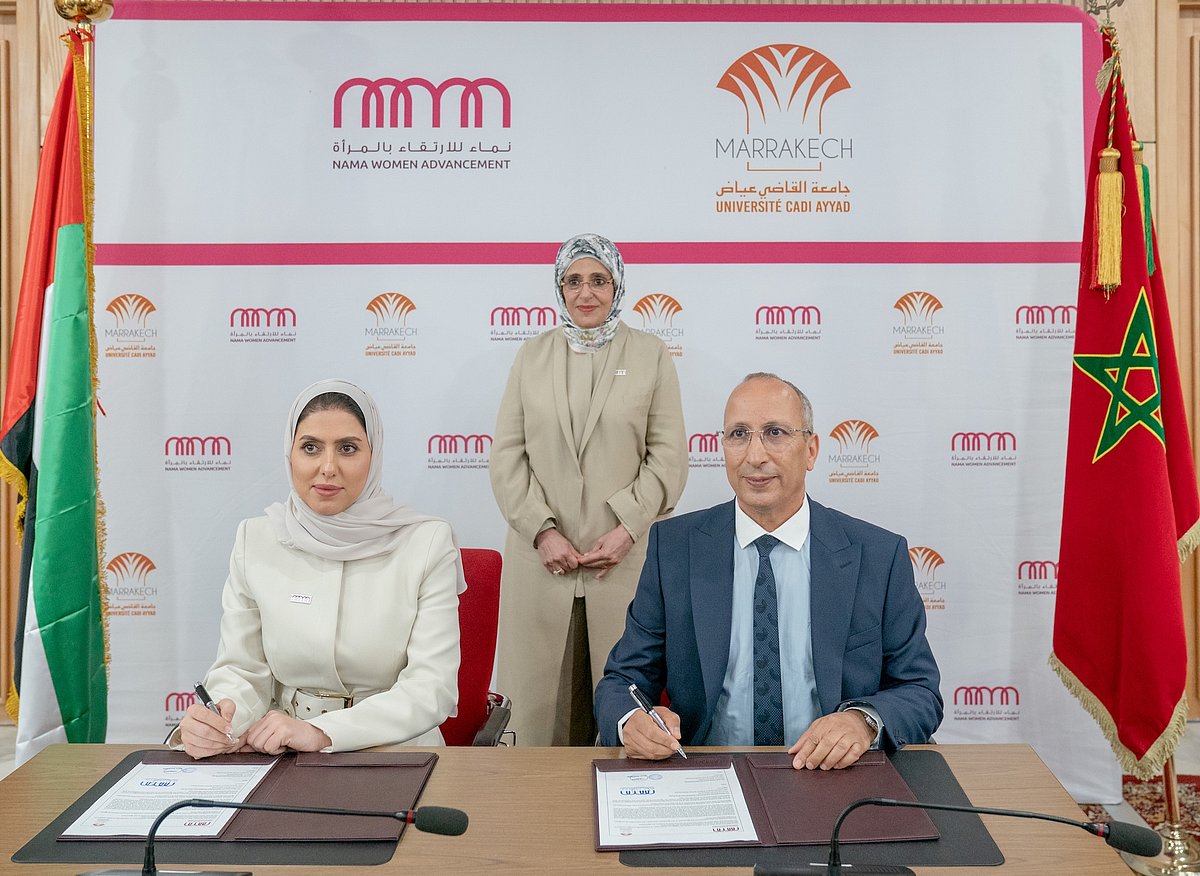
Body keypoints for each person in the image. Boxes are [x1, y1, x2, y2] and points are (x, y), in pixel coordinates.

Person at [594, 372, 941, 769]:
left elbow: (919, 690)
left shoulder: (878, 555)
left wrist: (863, 722)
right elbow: (622, 682)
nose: (755, 456)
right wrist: (631, 720)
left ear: (811, 450)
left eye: (775, 433)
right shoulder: (673, 548)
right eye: (738, 435)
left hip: (834, 776)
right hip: (706, 774)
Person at [176, 378, 463, 758]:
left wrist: (321, 731)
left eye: (347, 448)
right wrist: (223, 719)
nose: (327, 468)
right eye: (310, 447)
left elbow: (431, 687)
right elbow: (243, 670)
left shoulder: (426, 542)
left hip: (393, 751)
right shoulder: (255, 539)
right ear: (289, 454)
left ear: (373, 456)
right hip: (281, 753)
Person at [489, 233, 688, 746]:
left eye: (598, 279)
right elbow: (507, 456)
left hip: (622, 562)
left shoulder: (650, 355)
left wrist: (625, 528)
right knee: (539, 717)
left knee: (624, 712)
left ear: (617, 285)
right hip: (542, 565)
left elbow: (668, 457)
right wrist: (542, 531)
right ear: (559, 287)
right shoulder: (531, 356)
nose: (586, 292)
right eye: (573, 280)